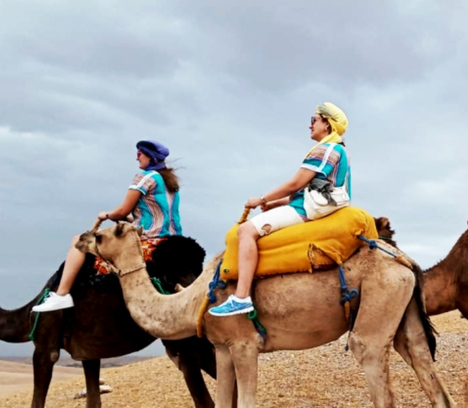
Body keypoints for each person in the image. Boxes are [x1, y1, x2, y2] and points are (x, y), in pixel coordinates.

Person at [209, 102, 350, 317]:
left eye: (314, 120)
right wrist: (273, 204)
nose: (310, 125)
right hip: (308, 208)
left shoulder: (326, 149)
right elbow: (309, 194)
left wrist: (261, 199)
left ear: (327, 125)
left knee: (245, 231)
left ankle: (241, 297)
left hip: (305, 212)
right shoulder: (337, 150)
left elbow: (295, 184)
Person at [32, 140, 182, 312]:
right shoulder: (169, 182)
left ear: (150, 157)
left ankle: (62, 295)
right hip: (171, 238)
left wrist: (107, 215)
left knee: (79, 241)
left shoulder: (145, 178)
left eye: (140, 153)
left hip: (149, 238)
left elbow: (121, 210)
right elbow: (154, 214)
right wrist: (128, 217)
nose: (137, 157)